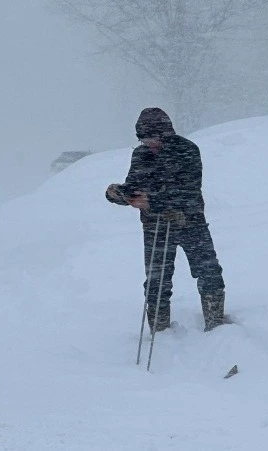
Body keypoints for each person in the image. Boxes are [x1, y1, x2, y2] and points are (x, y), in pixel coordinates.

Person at [105, 108, 226, 332]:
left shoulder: (187, 150)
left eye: (153, 137)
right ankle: (159, 331)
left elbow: (188, 192)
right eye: (143, 138)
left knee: (208, 271)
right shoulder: (141, 154)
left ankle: (216, 325)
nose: (149, 143)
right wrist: (119, 194)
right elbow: (135, 185)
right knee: (157, 281)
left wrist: (152, 201)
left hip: (191, 223)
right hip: (154, 227)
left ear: (165, 132)